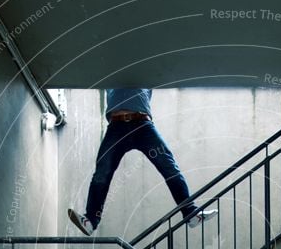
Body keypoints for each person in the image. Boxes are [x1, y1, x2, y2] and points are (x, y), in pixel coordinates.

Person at [68, 88, 217, 236]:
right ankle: (91, 221)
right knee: (102, 173)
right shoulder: (110, 66)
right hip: (116, 126)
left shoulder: (145, 70)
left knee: (169, 168)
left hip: (143, 125)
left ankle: (191, 214)